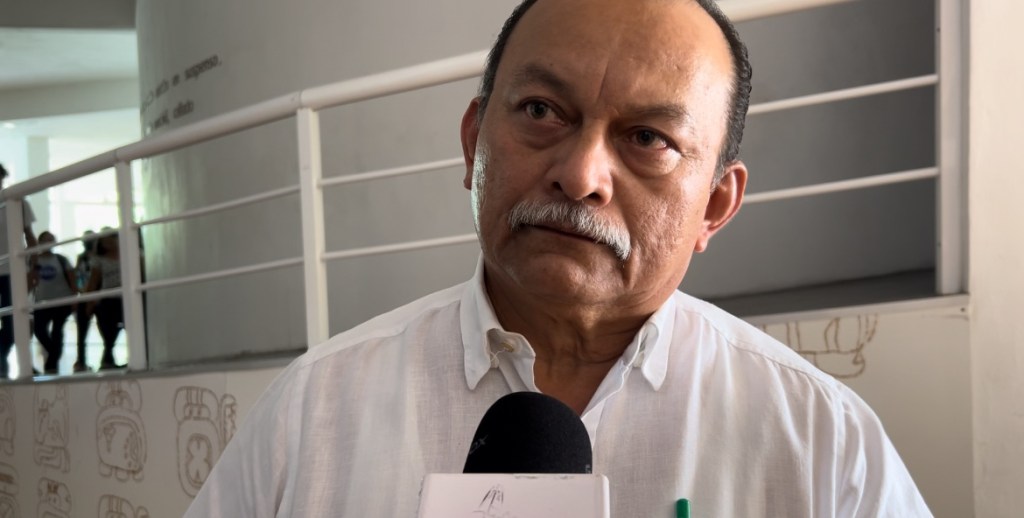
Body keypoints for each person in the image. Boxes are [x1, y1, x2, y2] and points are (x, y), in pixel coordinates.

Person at [187, 1, 932, 516]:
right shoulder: (313, 412)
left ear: (713, 205)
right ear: (474, 143)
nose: (580, 176)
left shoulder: (821, 439)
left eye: (648, 139)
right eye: (542, 111)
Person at [0, 163, 36, 379]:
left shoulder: (17, 202)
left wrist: (34, 269)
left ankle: (1, 357)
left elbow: (30, 237)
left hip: (13, 271)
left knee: (13, 324)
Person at [28, 231, 78, 374]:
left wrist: (75, 300)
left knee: (57, 331)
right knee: (39, 330)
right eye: (45, 240)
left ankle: (51, 365)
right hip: (41, 303)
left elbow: (72, 280)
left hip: (62, 301)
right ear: (39, 242)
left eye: (51, 240)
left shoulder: (62, 260)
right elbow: (30, 281)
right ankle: (54, 353)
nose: (48, 243)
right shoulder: (34, 261)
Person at [84, 229, 124, 370]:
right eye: (104, 241)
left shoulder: (131, 253)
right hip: (108, 299)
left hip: (126, 297)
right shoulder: (98, 259)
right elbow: (93, 281)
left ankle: (107, 360)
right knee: (108, 330)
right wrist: (89, 301)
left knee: (123, 327)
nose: (109, 243)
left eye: (111, 239)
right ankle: (107, 361)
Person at [73, 230, 98, 372]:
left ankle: (108, 357)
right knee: (81, 332)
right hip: (84, 296)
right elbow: (77, 277)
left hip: (98, 296)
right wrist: (80, 292)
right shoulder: (81, 258)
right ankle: (81, 362)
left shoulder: (100, 257)